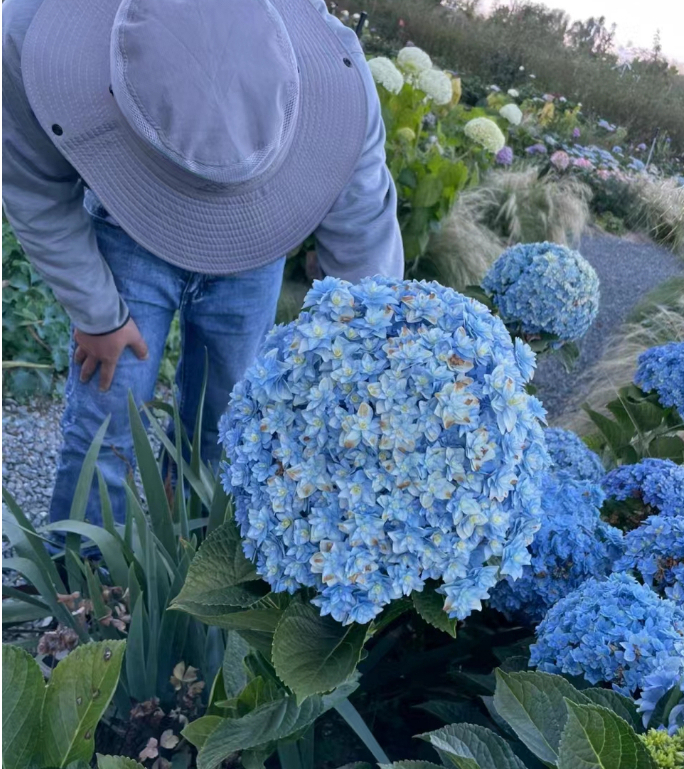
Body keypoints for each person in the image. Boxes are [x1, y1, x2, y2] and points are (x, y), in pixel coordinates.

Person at [2, 0, 404, 529]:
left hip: (256, 234)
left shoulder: (336, 78)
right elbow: (33, 189)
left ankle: (194, 574)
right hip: (126, 228)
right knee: (106, 427)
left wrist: (357, 364)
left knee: (228, 425)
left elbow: (364, 240)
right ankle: (83, 590)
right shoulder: (32, 34)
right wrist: (97, 312)